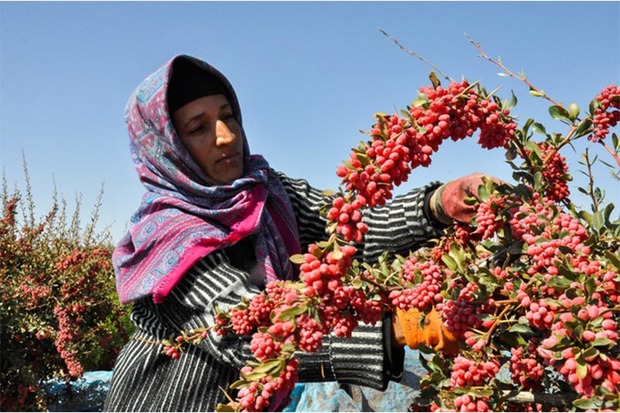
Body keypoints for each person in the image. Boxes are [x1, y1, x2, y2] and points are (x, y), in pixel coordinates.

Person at [104, 54, 490, 412]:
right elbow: (253, 337)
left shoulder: (267, 191)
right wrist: (399, 330)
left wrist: (439, 204)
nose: (225, 136)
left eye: (228, 117)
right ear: (168, 148)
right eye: (198, 128)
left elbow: (348, 235)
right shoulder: (171, 240)